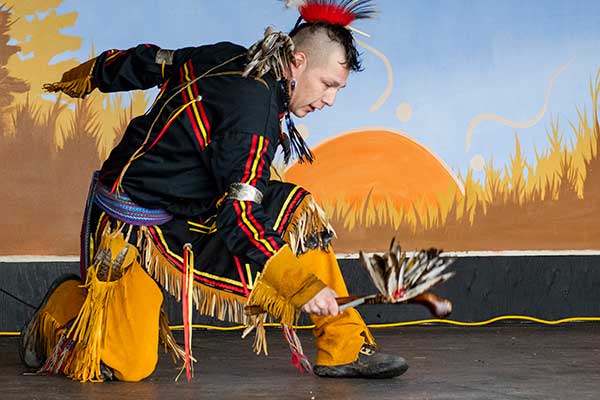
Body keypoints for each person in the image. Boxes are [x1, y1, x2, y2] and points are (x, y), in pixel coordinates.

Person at [20, 0, 408, 382]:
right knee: (128, 364)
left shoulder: (229, 55)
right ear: (298, 62)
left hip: (193, 207)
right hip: (132, 223)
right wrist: (301, 286)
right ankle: (63, 308)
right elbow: (239, 219)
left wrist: (98, 73)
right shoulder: (254, 115)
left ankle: (343, 345)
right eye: (328, 85)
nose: (330, 100)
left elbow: (156, 60)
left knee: (297, 212)